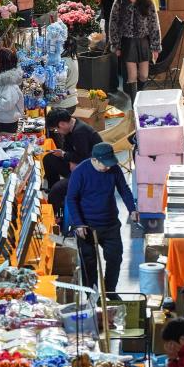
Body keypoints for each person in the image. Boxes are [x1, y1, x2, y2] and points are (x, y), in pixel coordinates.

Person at [65, 142, 137, 292]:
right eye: (105, 164)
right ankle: (92, 294)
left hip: (110, 224)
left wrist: (132, 209)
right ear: (94, 160)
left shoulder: (114, 169)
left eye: (110, 163)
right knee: (89, 262)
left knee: (115, 258)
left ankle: (109, 290)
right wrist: (79, 223)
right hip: (87, 227)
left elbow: (124, 189)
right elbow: (71, 199)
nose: (108, 167)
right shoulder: (80, 172)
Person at [109, 0, 162, 102]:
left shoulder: (148, 2)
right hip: (127, 43)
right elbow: (113, 24)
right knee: (132, 77)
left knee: (144, 75)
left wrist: (155, 47)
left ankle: (140, 98)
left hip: (143, 42)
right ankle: (134, 104)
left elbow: (154, 25)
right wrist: (116, 45)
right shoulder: (119, 2)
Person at [43, 108, 103, 189]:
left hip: (93, 168)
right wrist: (69, 159)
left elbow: (83, 157)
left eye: (56, 129)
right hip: (80, 161)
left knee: (58, 189)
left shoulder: (80, 132)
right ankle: (52, 187)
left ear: (62, 124)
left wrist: (64, 155)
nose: (58, 132)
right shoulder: (71, 126)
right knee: (49, 158)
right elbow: (67, 147)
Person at [0, 49, 25, 135]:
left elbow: (6, 104)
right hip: (2, 119)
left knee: (5, 142)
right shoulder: (1, 79)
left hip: (6, 122)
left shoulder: (9, 82)